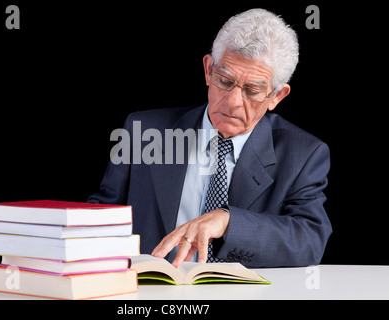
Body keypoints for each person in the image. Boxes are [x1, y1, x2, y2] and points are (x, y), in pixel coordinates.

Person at [88, 8, 332, 268]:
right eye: (225, 81)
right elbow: (104, 215)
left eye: (252, 91)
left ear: (276, 96)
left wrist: (228, 221)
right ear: (208, 69)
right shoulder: (143, 131)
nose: (233, 102)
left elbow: (309, 240)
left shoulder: (304, 153)